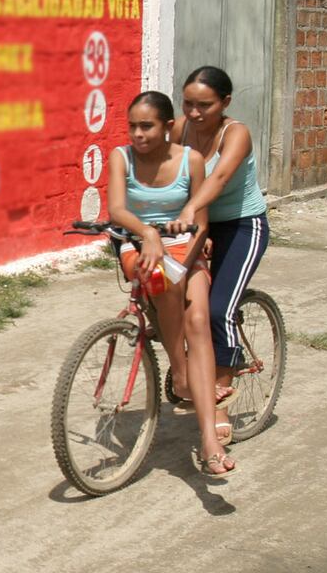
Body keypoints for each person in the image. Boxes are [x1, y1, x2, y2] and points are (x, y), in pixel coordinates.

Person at [107, 90, 234, 477]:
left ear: (167, 127)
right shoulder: (120, 158)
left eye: (147, 126)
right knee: (162, 277)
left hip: (186, 245)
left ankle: (210, 442)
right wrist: (148, 233)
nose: (137, 134)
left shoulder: (190, 161)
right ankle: (180, 375)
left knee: (197, 324)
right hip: (137, 245)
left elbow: (202, 219)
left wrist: (189, 250)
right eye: (132, 126)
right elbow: (116, 210)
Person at [169, 65, 270, 449]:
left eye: (204, 105)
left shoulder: (236, 133)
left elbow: (219, 179)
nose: (194, 113)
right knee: (170, 297)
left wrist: (190, 212)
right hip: (198, 224)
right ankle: (185, 375)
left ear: (225, 102)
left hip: (243, 226)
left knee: (216, 311)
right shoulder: (179, 129)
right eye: (188, 103)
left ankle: (220, 398)